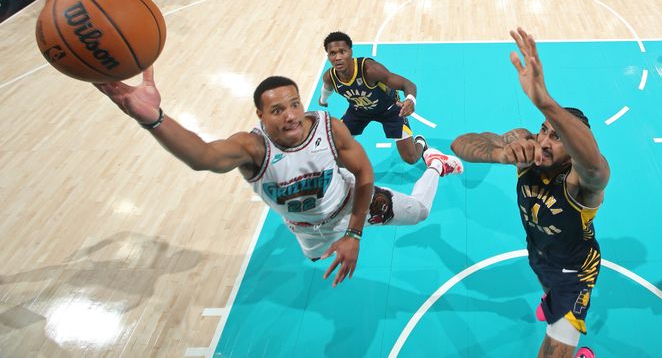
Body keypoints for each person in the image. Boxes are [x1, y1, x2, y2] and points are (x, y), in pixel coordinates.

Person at [95, 70, 464, 286]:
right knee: (317, 259)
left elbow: (365, 173)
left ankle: (434, 163)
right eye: (277, 109)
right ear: (259, 114)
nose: (289, 116)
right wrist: (153, 118)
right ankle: (328, 242)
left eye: (294, 104)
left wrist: (354, 234)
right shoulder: (252, 149)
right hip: (304, 228)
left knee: (420, 212)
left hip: (351, 207)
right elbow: (201, 157)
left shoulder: (327, 128)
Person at [450, 28, 610, 358]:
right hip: (540, 257)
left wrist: (545, 102)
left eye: (558, 138)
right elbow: (460, 143)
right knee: (546, 290)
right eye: (544, 130)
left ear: (573, 150)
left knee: (552, 349)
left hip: (576, 273)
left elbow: (595, 164)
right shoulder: (525, 146)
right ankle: (550, 303)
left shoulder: (581, 183)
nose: (545, 141)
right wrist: (497, 153)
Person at [319, 31, 427, 165]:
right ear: (328, 56)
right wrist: (323, 100)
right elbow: (327, 88)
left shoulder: (370, 70)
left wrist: (410, 99)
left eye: (342, 51)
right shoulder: (330, 76)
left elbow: (407, 84)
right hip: (358, 111)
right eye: (333, 53)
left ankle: (421, 143)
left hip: (389, 109)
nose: (338, 57)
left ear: (351, 52)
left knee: (410, 158)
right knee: (337, 152)